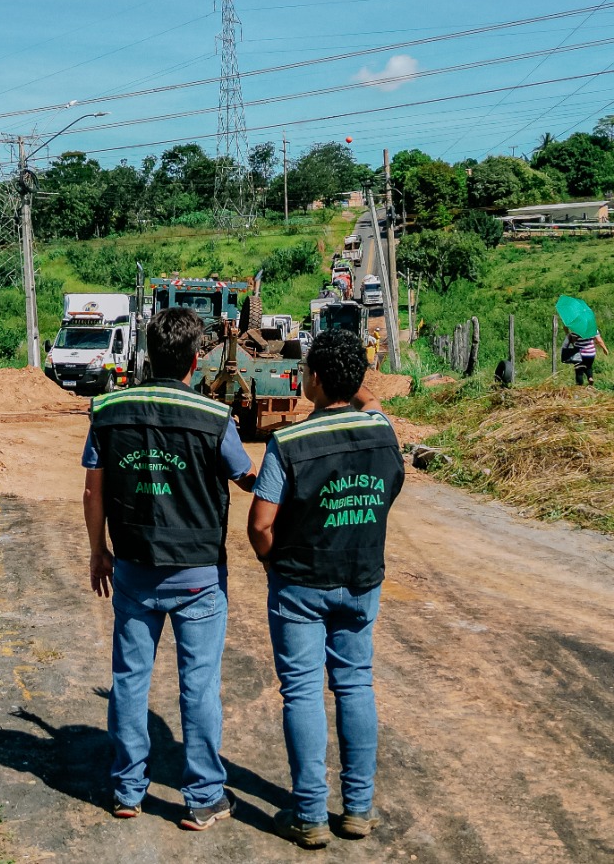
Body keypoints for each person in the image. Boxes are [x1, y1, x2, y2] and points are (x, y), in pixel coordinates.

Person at [83, 307, 256, 831]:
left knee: (130, 681)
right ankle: (203, 797)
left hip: (134, 568)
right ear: (196, 358)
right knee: (198, 685)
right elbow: (246, 476)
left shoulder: (107, 409)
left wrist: (98, 550)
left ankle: (127, 790)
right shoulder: (213, 417)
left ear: (147, 354)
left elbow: (93, 489)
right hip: (200, 575)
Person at [247, 329, 405, 849]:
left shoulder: (288, 443)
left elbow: (261, 525)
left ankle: (310, 815)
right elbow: (388, 485)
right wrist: (357, 383)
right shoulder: (383, 433)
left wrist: (274, 567)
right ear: (358, 379)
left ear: (313, 378)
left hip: (300, 583)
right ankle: (358, 809)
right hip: (362, 580)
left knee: (302, 692)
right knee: (356, 685)